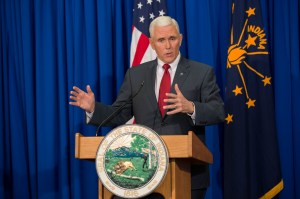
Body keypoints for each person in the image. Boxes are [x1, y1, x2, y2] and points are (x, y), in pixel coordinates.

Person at [70, 16, 225, 199]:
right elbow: (120, 114)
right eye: (161, 40)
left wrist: (191, 107)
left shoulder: (201, 72)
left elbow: (218, 111)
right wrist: (93, 108)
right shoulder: (136, 75)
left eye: (172, 39)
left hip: (188, 174)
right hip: (144, 174)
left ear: (180, 39)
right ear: (152, 43)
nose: (168, 45)